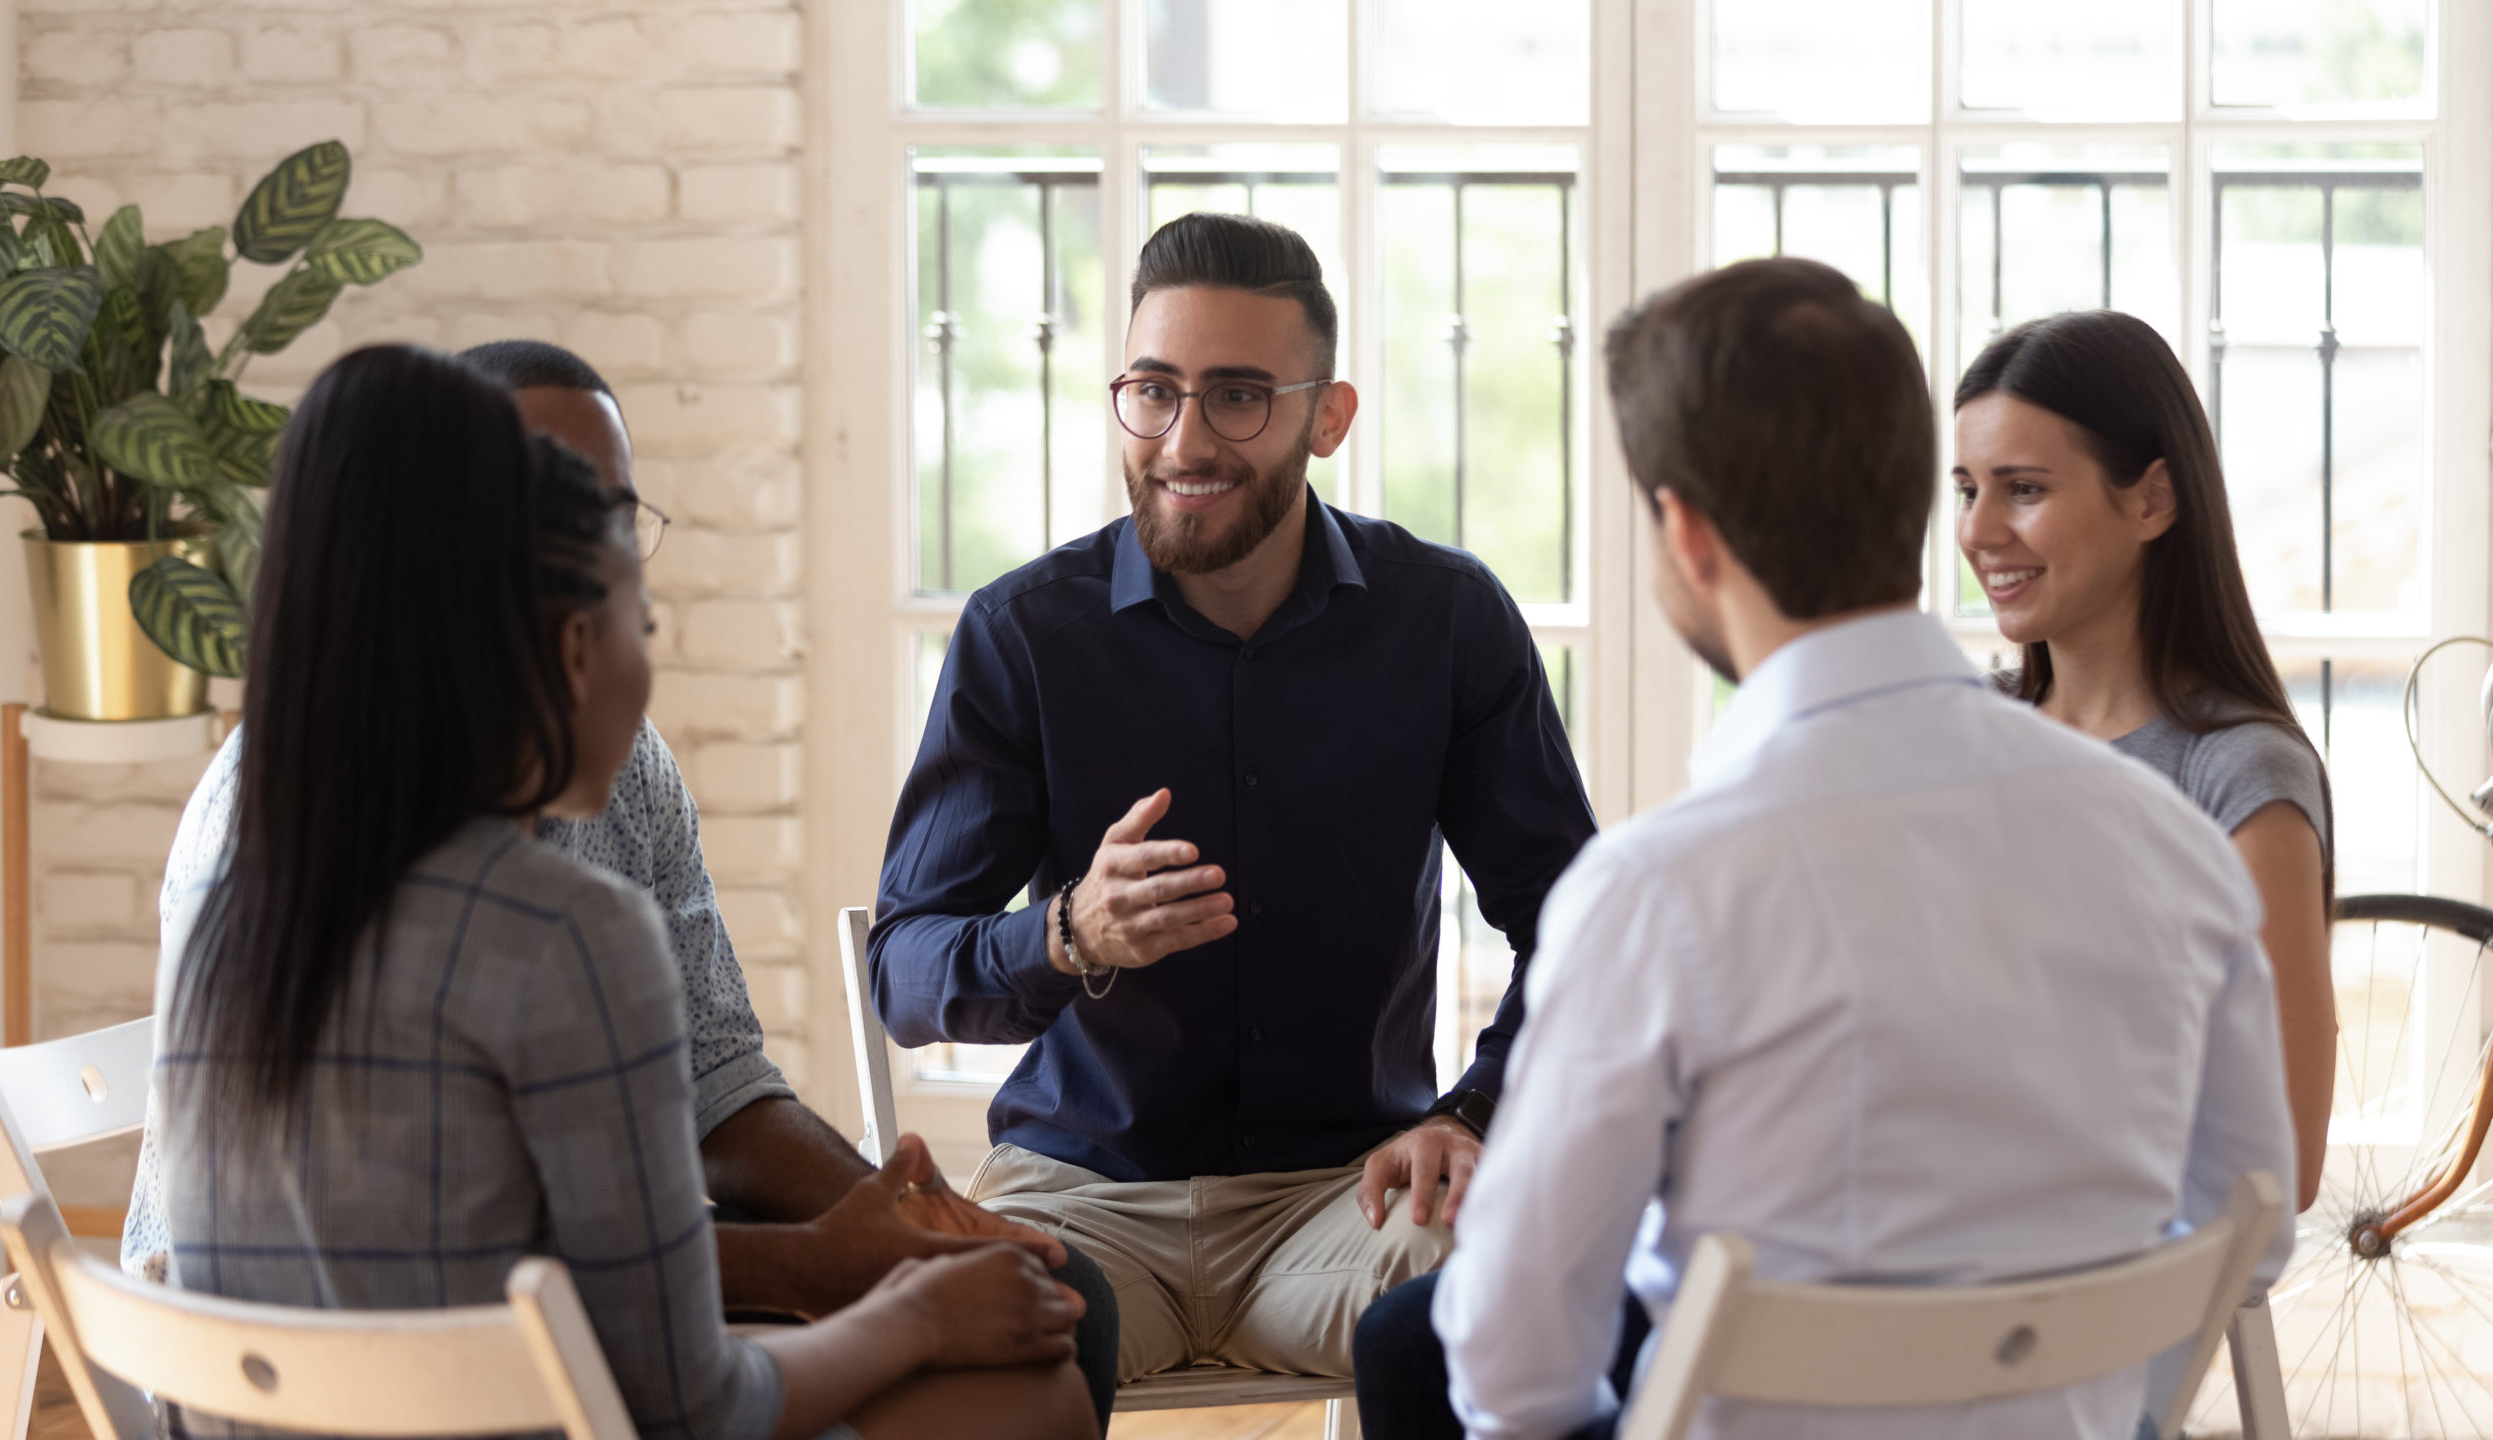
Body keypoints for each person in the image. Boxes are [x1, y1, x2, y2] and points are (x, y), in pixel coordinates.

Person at [126, 340, 1122, 1427]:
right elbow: (686, 1402)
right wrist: (883, 1302)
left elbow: (707, 1088)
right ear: (560, 641)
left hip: (297, 1401)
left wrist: (876, 1235)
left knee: (1044, 1310)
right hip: (492, 1386)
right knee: (1034, 1397)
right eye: (631, 609)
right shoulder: (563, 936)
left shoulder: (253, 906)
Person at [1431, 258, 2295, 1440]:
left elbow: (1516, 1364)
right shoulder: (2174, 851)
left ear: (1683, 533)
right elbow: (2250, 1231)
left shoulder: (1652, 894)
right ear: (1917, 500)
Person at [868, 212, 1597, 1383]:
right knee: (973, 1340)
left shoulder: (1447, 622)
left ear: (1328, 416)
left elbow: (1579, 928)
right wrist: (1068, 935)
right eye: (1154, 391)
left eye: (1239, 395)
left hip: (1346, 1198)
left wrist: (1470, 1112)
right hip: (1083, 1197)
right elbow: (903, 972)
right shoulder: (1024, 634)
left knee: (1511, 1285)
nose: (1184, 439)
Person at [1954, 310, 2335, 1211]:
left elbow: (2283, 1165)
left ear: (2153, 499)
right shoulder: (1964, 731)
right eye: (1967, 488)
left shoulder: (2240, 779)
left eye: (2025, 489)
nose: (1979, 530)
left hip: (2106, 1292)